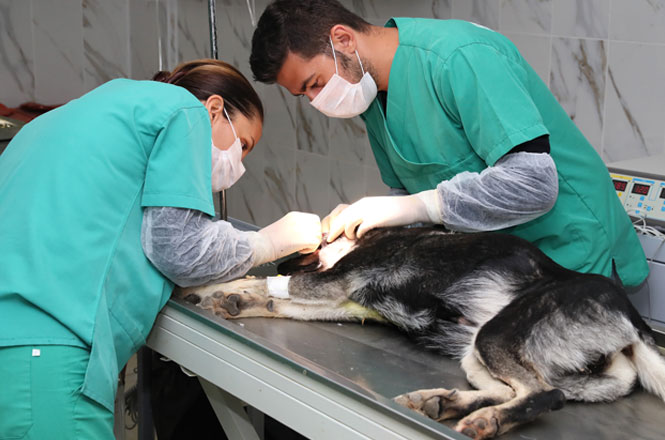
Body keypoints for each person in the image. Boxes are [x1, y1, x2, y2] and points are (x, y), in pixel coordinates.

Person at [0, 59, 321, 439]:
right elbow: (180, 249)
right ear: (214, 109)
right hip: (49, 352)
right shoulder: (184, 111)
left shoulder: (74, 115)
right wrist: (269, 242)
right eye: (243, 145)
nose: (239, 165)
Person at [249, 0, 648, 288]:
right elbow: (407, 191)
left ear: (343, 40)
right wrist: (362, 233)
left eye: (315, 83)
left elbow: (534, 184)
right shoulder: (371, 96)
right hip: (506, 260)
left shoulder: (459, 57)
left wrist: (417, 206)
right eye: (307, 95)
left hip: (570, 249)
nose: (319, 100)